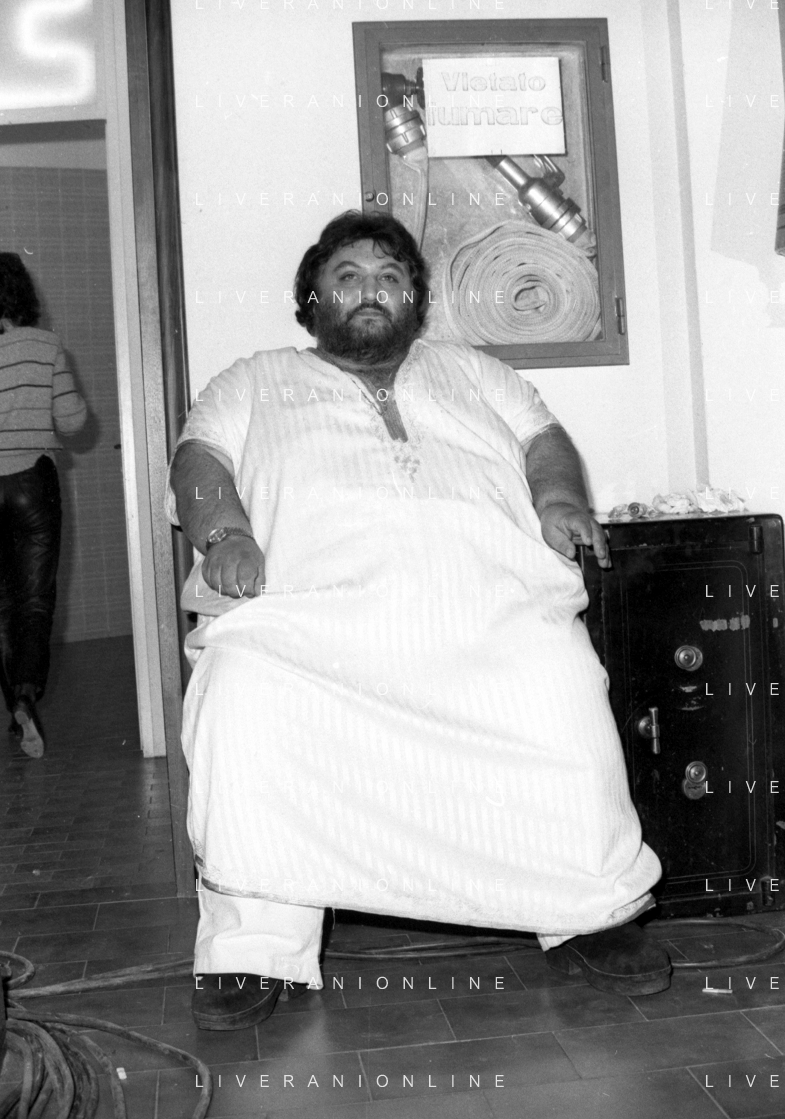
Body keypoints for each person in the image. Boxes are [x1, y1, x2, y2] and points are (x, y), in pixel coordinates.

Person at [168, 211, 669, 1032]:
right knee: (240, 691)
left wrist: (557, 498)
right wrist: (224, 533)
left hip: (492, 613)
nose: (371, 290)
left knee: (559, 682)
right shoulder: (253, 379)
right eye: (348, 276)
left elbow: (542, 439)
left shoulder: (473, 370)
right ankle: (252, 945)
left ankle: (590, 911)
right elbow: (200, 456)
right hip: (309, 629)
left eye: (390, 277)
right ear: (311, 297)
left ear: (415, 298)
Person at [0, 253, 87, 759]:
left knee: (1, 603)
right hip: (33, 481)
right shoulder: (45, 345)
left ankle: (15, 709)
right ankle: (27, 695)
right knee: (34, 599)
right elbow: (73, 421)